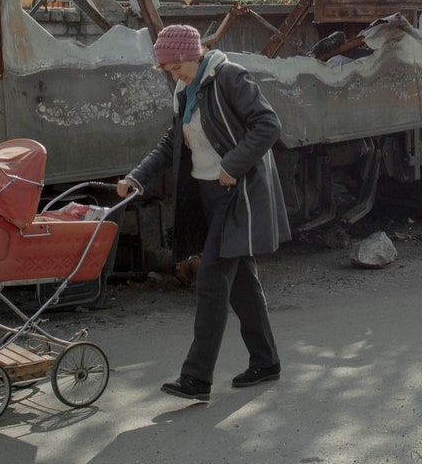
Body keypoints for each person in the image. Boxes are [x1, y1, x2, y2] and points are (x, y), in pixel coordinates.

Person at [117, 23, 291, 402]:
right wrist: (137, 177)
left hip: (235, 193)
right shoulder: (186, 90)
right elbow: (172, 143)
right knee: (243, 283)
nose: (172, 75)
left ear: (191, 56)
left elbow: (268, 125)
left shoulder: (230, 77)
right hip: (209, 195)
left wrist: (232, 164)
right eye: (167, 70)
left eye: (174, 67)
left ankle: (197, 378)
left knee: (211, 282)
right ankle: (266, 361)